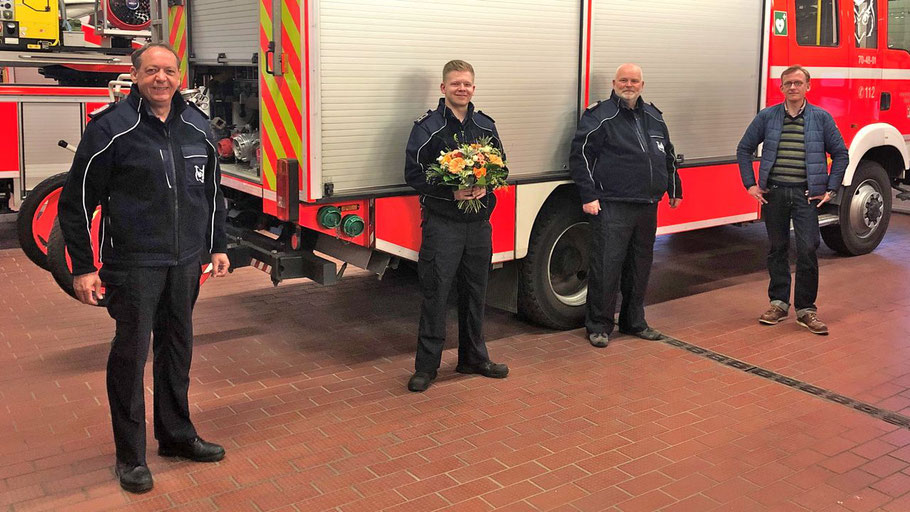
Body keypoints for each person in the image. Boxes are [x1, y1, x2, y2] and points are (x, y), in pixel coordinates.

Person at [57, 43, 230, 493]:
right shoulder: (111, 129)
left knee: (177, 349)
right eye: (151, 70)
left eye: (168, 71)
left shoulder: (198, 127)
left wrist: (217, 247)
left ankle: (176, 435)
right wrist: (82, 267)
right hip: (133, 264)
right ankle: (130, 456)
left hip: (185, 261)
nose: (161, 78)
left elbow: (212, 194)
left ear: (179, 76)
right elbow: (75, 202)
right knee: (131, 355)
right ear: (135, 76)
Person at [403, 59, 510, 392]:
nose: (461, 89)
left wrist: (486, 185)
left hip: (478, 226)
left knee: (476, 292)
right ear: (443, 88)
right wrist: (449, 189)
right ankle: (426, 367)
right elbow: (413, 173)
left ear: (473, 88)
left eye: (466, 84)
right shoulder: (427, 127)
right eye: (455, 84)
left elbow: (502, 168)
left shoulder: (485, 125)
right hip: (443, 225)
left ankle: (473, 358)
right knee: (436, 293)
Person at [569, 63, 682, 348]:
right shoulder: (600, 116)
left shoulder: (654, 118)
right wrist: (588, 196)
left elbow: (667, 155)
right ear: (614, 83)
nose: (628, 85)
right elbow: (580, 156)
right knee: (606, 267)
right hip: (612, 204)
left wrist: (674, 187)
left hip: (647, 204)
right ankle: (599, 326)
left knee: (639, 266)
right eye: (623, 80)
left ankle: (634, 322)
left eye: (634, 81)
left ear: (642, 85)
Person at [736, 65, 847, 335]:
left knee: (809, 248)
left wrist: (830, 189)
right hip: (774, 193)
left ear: (808, 87)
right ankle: (778, 304)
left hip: (805, 195)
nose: (793, 87)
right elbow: (744, 148)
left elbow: (841, 154)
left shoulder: (821, 118)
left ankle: (806, 310)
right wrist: (750, 184)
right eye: (788, 83)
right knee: (777, 248)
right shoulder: (768, 117)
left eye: (798, 83)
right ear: (781, 87)